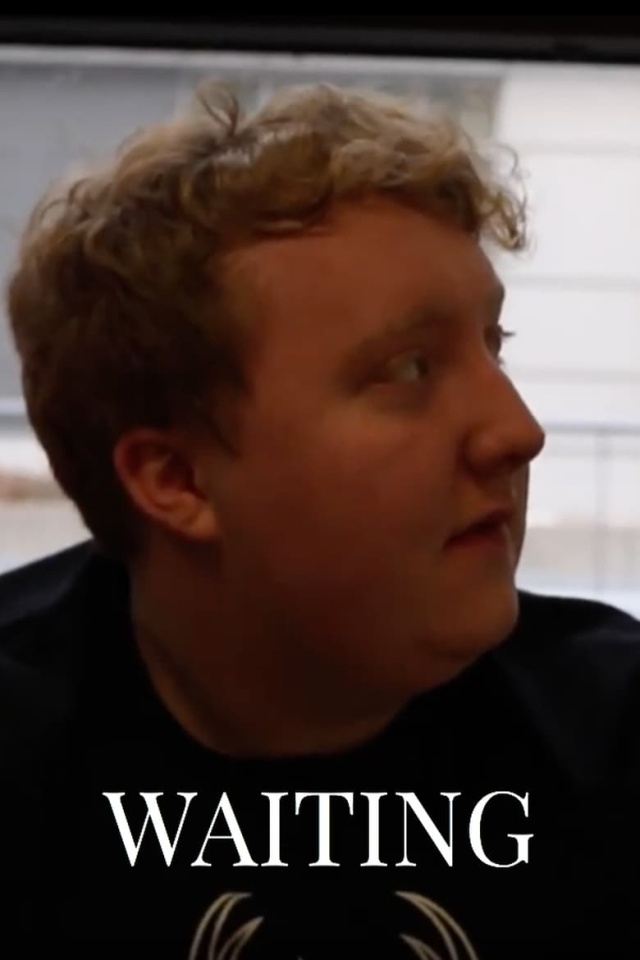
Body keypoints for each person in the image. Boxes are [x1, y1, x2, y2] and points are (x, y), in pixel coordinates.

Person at [0, 80, 639, 959]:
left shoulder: (613, 730)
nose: (518, 432)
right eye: (409, 369)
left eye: (493, 346)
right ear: (177, 480)